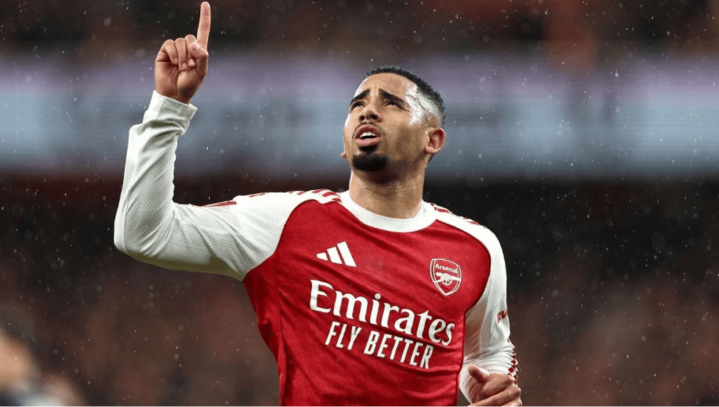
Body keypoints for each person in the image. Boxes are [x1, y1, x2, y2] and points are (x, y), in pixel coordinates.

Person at [114, 2, 521, 405]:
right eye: (357, 105)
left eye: (391, 103)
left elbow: (488, 354)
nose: (368, 111)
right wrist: (168, 108)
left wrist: (491, 391)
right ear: (345, 146)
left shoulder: (476, 249)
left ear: (432, 140)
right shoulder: (284, 222)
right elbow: (143, 234)